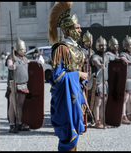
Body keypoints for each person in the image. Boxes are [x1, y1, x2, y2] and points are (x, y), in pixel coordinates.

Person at [47, 2, 87, 151]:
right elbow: (58, 77)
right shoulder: (61, 49)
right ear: (68, 30)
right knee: (68, 133)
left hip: (75, 94)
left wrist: (82, 91)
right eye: (77, 27)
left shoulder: (75, 48)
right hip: (65, 98)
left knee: (76, 130)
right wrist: (78, 74)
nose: (81, 30)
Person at [5, 38, 41, 133]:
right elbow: (9, 63)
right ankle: (12, 125)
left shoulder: (24, 58)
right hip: (14, 85)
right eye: (23, 49)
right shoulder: (11, 57)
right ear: (18, 50)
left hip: (24, 85)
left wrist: (36, 62)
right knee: (13, 106)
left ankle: (19, 123)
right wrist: (11, 66)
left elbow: (29, 61)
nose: (25, 51)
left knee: (20, 105)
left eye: (25, 49)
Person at [119, 36, 131, 124]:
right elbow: (123, 59)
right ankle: (123, 116)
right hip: (126, 79)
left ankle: (129, 115)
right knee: (125, 99)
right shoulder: (123, 54)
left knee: (130, 99)